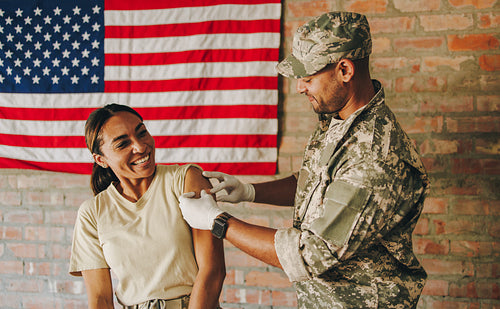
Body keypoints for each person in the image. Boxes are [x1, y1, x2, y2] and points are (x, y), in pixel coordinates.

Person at [178, 11, 429, 309]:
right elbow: (314, 186)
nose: (299, 87)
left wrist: (218, 222)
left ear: (344, 70)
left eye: (308, 77)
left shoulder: (375, 155)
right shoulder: (337, 119)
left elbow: (311, 254)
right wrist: (249, 191)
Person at [69, 104, 225, 309]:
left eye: (142, 133)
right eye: (123, 144)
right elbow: (100, 299)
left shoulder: (186, 180)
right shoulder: (92, 213)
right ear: (101, 160)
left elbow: (212, 271)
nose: (141, 147)